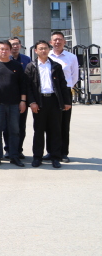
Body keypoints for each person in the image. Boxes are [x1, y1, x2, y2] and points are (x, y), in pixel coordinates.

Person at [26, 40, 71, 169]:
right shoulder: (31, 66)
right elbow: (28, 87)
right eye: (40, 48)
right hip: (39, 101)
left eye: (45, 48)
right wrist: (32, 102)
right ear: (36, 51)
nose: (43, 50)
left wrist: (66, 101)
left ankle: (55, 157)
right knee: (39, 130)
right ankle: (37, 157)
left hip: (54, 101)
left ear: (49, 50)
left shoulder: (56, 66)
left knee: (55, 130)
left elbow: (63, 85)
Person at [0, 40, 27, 167]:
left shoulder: (17, 65)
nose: (4, 51)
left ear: (10, 51)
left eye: (7, 49)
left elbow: (23, 85)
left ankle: (14, 156)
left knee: (14, 130)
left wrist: (23, 101)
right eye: (1, 49)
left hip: (14, 104)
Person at [48, 31, 78, 163]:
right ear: (50, 42)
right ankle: (50, 151)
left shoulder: (71, 57)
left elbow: (74, 76)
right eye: (55, 40)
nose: (57, 42)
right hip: (50, 93)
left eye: (60, 39)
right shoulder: (47, 55)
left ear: (64, 42)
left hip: (65, 92)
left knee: (64, 124)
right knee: (50, 124)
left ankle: (63, 152)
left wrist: (66, 89)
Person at [5, 37, 31, 160]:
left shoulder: (27, 60)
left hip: (22, 98)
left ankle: (18, 149)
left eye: (17, 44)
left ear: (20, 45)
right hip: (6, 98)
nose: (15, 46)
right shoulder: (4, 59)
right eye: (12, 44)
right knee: (7, 126)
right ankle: (8, 149)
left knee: (20, 126)